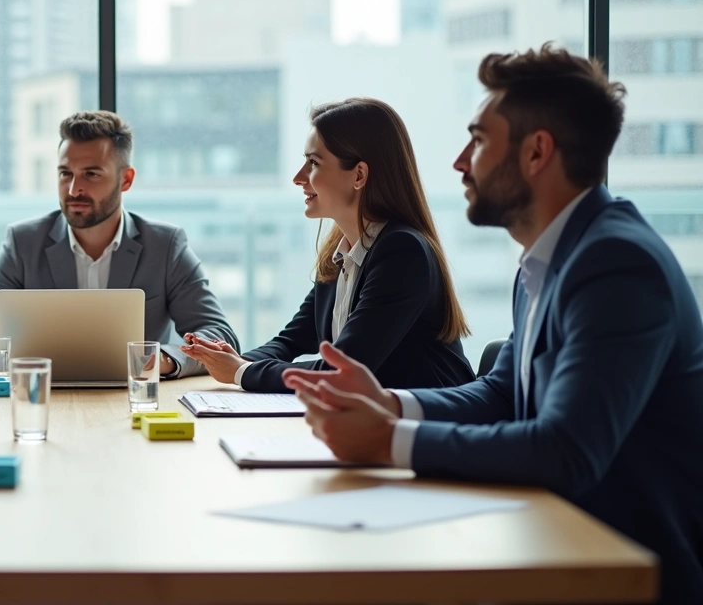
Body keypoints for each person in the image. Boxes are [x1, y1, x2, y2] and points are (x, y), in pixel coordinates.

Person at [287, 45, 703, 604]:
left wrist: (389, 439)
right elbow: (501, 392)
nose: (461, 161)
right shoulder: (546, 260)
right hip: (547, 541)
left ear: (537, 152)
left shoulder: (616, 265)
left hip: (618, 568)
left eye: (479, 140)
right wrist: (391, 405)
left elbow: (566, 451)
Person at [181, 98, 475, 392]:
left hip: (428, 426)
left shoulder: (402, 253)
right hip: (373, 422)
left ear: (358, 175)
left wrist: (242, 372)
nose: (298, 178)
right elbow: (291, 340)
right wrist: (232, 360)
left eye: (313, 163)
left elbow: (341, 371)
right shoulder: (344, 252)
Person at [0, 110, 238, 378]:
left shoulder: (165, 245)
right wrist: (16, 359)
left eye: (91, 174)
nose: (73, 189)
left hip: (132, 400)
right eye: (65, 173)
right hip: (43, 396)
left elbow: (218, 334)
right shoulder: (23, 242)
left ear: (125, 179)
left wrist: (164, 360)